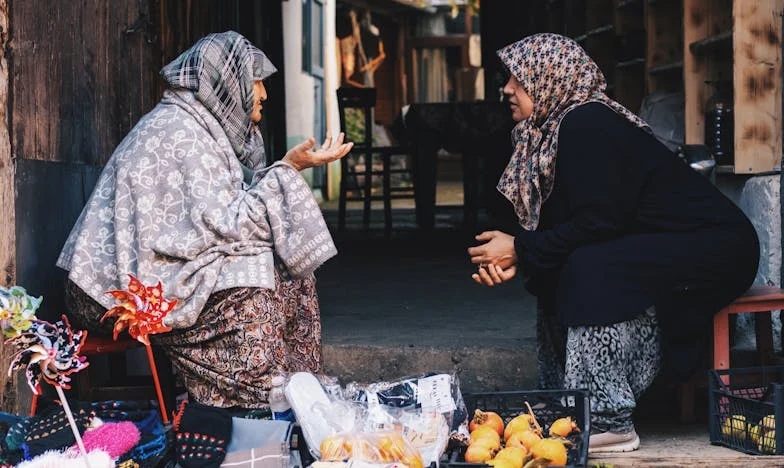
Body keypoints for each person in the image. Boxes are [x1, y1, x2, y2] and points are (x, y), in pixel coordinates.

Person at [467, 34, 759, 453]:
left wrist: (522, 248)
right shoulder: (551, 132)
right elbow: (580, 225)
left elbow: (599, 223)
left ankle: (606, 418)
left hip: (716, 247)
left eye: (518, 79)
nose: (507, 89)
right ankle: (564, 407)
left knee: (593, 269)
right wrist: (524, 253)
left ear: (550, 78)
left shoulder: (586, 123)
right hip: (665, 242)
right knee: (568, 266)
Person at [56, 31, 352, 409]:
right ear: (225, 83)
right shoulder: (181, 133)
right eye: (256, 81)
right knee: (250, 283)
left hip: (157, 271)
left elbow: (226, 217)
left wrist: (284, 170)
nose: (263, 94)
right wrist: (288, 169)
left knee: (287, 270)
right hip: (106, 293)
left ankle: (296, 387)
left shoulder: (200, 126)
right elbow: (229, 226)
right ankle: (258, 390)